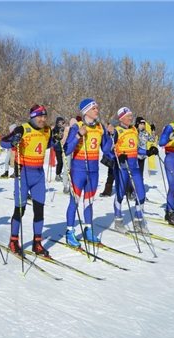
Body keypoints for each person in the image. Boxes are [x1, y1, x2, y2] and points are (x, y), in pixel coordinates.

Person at [1, 104, 53, 256]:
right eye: (40, 116)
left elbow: (46, 144)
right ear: (32, 117)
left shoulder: (46, 130)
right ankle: (13, 240)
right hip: (23, 173)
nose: (43, 119)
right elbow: (2, 142)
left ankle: (37, 243)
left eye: (44, 116)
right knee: (20, 209)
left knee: (39, 210)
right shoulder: (22, 129)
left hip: (38, 174)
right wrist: (13, 142)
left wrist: (56, 138)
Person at [63, 99, 113, 246]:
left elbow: (106, 149)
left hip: (93, 171)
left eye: (97, 108)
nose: (97, 110)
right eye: (94, 108)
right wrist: (78, 135)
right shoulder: (77, 126)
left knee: (89, 202)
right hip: (78, 171)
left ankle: (88, 230)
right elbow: (67, 150)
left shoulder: (100, 127)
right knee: (75, 202)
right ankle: (70, 232)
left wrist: (111, 136)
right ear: (86, 111)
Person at [112, 108, 159, 234]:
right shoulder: (117, 131)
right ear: (121, 118)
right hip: (122, 168)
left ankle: (138, 222)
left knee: (141, 195)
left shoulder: (134, 130)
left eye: (131, 115)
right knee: (121, 194)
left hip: (134, 167)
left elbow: (136, 149)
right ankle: (118, 221)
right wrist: (118, 154)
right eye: (128, 116)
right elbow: (109, 150)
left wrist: (148, 152)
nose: (130, 118)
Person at [99, 120, 118, 197]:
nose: (107, 127)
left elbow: (106, 148)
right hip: (112, 157)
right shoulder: (109, 134)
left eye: (109, 125)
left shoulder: (116, 133)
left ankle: (128, 191)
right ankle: (107, 191)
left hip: (118, 157)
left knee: (121, 174)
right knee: (110, 174)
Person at [52, 117, 65, 181]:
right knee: (59, 162)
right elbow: (54, 136)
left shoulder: (63, 128)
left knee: (62, 162)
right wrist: (58, 136)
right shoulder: (55, 129)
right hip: (57, 147)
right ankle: (57, 174)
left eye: (62, 122)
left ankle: (59, 174)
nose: (61, 123)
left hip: (63, 147)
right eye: (60, 122)